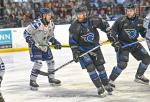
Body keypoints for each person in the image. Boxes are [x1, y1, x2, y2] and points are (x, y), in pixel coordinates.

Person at [69, 6, 113, 96]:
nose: (79, 16)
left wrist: (109, 34)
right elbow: (72, 41)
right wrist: (75, 52)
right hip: (83, 50)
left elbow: (105, 25)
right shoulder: (74, 26)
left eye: (81, 14)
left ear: (85, 13)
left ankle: (106, 84)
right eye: (77, 14)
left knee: (100, 67)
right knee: (90, 68)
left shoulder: (93, 20)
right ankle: (99, 87)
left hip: (95, 48)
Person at [107, 4, 150, 88]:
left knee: (147, 59)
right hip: (123, 45)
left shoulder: (140, 20)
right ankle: (110, 80)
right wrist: (115, 42)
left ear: (135, 11)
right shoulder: (121, 20)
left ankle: (139, 76)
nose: (129, 12)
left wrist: (147, 35)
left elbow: (143, 33)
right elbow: (112, 33)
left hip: (134, 44)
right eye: (128, 10)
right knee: (122, 64)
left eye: (131, 11)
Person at [24, 8, 62, 90]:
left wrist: (55, 42)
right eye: (48, 15)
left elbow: (50, 36)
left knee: (51, 62)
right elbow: (26, 33)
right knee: (38, 63)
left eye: (50, 14)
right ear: (44, 16)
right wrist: (30, 40)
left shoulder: (52, 24)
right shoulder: (36, 24)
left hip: (44, 45)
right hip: (35, 46)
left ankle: (51, 78)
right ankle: (32, 80)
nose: (50, 16)